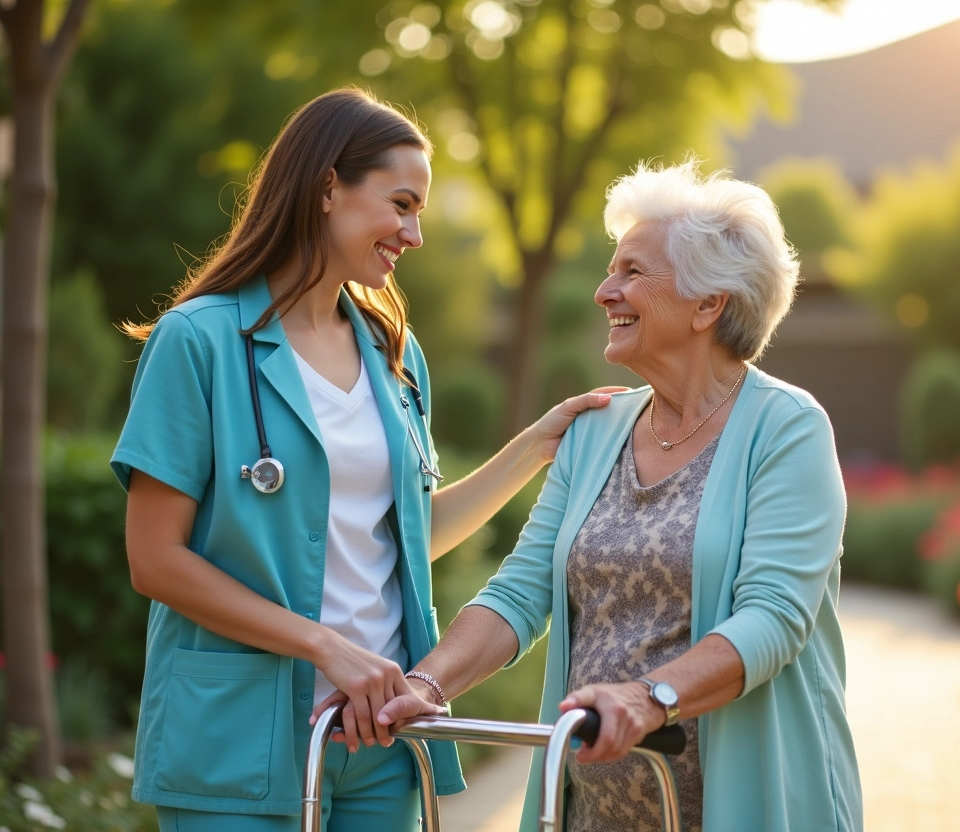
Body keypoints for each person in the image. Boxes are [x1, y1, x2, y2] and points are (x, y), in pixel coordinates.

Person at [110, 87, 616, 830]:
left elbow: (404, 540)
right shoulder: (199, 341)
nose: (414, 234)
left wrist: (534, 449)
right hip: (239, 740)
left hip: (380, 736)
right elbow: (155, 560)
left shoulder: (393, 354)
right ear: (326, 188)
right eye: (401, 204)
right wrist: (329, 649)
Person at [351, 159, 864, 831]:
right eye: (609, 269)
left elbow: (773, 619)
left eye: (631, 273)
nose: (603, 291)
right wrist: (427, 684)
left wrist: (650, 698)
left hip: (744, 804)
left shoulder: (786, 429)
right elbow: (520, 591)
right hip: (600, 810)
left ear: (709, 304)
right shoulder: (596, 431)